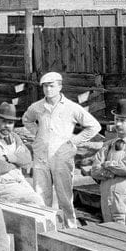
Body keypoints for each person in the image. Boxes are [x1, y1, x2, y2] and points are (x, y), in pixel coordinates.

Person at [22, 71, 101, 228]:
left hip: (62, 156)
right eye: (45, 87)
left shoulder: (71, 108)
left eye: (51, 86)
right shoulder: (37, 107)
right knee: (41, 194)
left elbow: (94, 126)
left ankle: (70, 229)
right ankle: (44, 229)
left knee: (64, 196)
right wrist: (37, 132)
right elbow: (26, 119)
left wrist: (74, 141)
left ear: (60, 86)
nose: (48, 90)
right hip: (41, 156)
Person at [90, 99, 126, 223]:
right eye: (116, 119)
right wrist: (114, 172)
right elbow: (95, 171)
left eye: (122, 120)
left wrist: (107, 165)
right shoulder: (108, 145)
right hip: (106, 204)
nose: (118, 124)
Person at [0, 102, 46, 206]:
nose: (6, 126)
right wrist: (18, 162)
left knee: (40, 200)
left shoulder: (15, 137)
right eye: (3, 122)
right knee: (35, 201)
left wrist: (8, 158)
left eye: (10, 123)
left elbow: (27, 159)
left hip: (19, 181)